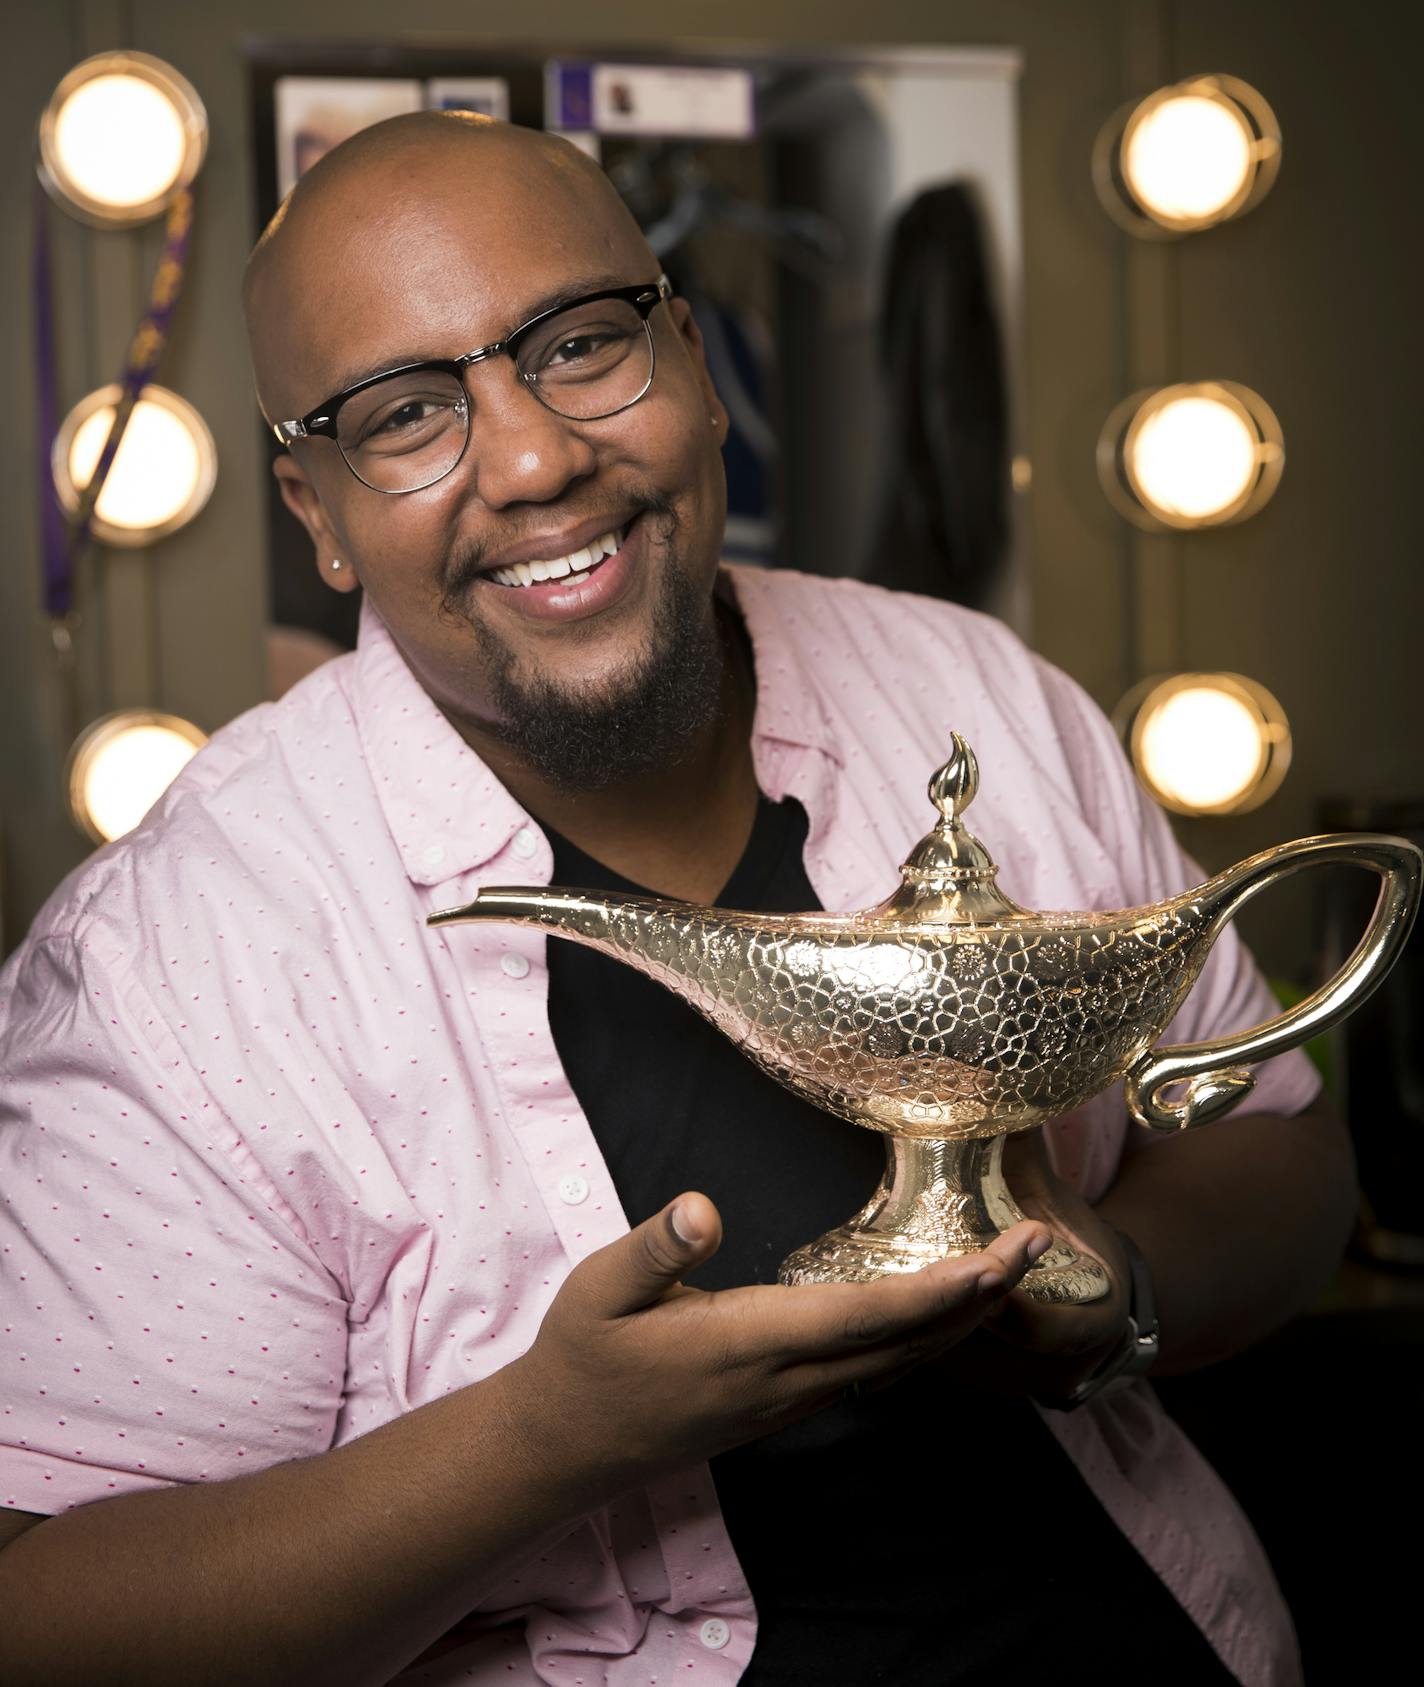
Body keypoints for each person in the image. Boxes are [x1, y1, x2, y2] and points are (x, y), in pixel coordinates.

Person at [0, 114, 1345, 1686]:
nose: (531, 459)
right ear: (316, 515)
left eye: (579, 345)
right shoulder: (185, 952)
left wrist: (1111, 1292)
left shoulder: (974, 692)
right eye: (404, 413)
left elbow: (1283, 1149)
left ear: (695, 364)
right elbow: (43, 1616)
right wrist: (547, 1446)